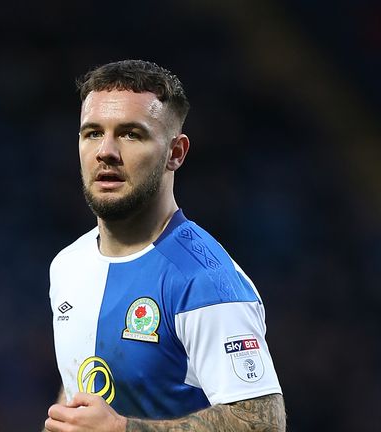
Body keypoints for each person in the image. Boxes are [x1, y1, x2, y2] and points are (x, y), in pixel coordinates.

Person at [44, 60, 285, 431]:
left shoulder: (205, 283)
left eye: (130, 134)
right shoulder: (67, 264)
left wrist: (124, 431)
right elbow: (82, 384)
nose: (105, 151)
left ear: (176, 152)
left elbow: (264, 424)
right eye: (92, 133)